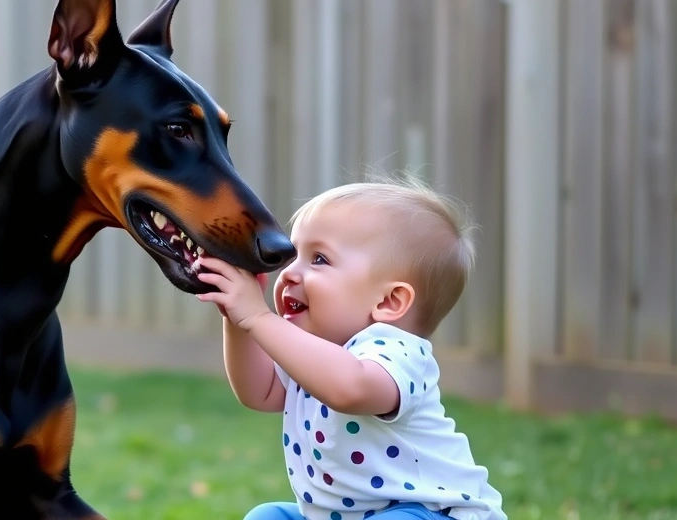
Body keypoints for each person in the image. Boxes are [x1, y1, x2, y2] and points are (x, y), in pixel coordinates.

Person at [195, 174, 507, 520]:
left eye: (319, 260)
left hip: (430, 511)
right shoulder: (313, 351)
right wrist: (237, 322)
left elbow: (349, 388)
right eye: (293, 255)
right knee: (267, 516)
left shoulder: (398, 350)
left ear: (389, 301)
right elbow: (260, 392)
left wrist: (257, 316)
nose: (290, 273)